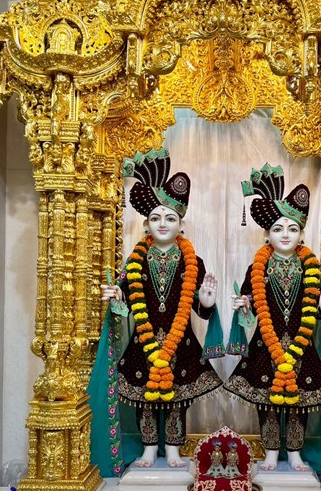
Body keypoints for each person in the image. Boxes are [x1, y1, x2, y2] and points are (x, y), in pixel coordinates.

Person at [89, 149, 223, 473]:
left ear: (181, 224)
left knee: (177, 401)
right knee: (145, 400)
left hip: (181, 343)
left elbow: (200, 310)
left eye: (170, 218)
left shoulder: (193, 261)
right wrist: (116, 296)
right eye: (156, 218)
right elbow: (125, 301)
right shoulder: (135, 260)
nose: (163, 224)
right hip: (144, 342)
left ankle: (174, 449)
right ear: (146, 223)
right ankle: (149, 449)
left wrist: (207, 302)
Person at [224, 164, 321, 478]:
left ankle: (294, 453)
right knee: (268, 404)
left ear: (301, 234)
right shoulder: (258, 266)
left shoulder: (310, 267)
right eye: (278, 229)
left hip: (301, 344)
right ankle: (270, 452)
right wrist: (244, 306)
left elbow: (319, 313)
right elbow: (249, 304)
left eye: (292, 229)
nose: (285, 235)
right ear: (266, 234)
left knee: (297, 404)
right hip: (265, 345)